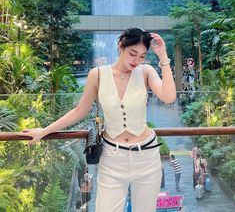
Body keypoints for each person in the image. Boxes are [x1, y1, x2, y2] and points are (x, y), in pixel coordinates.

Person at [21, 27, 176, 212]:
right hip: (112, 158)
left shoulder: (145, 72)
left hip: (146, 157)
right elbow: (79, 111)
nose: (136, 60)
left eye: (142, 56)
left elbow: (169, 96)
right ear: (120, 46)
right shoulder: (98, 74)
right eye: (132, 53)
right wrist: (44, 131)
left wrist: (163, 57)